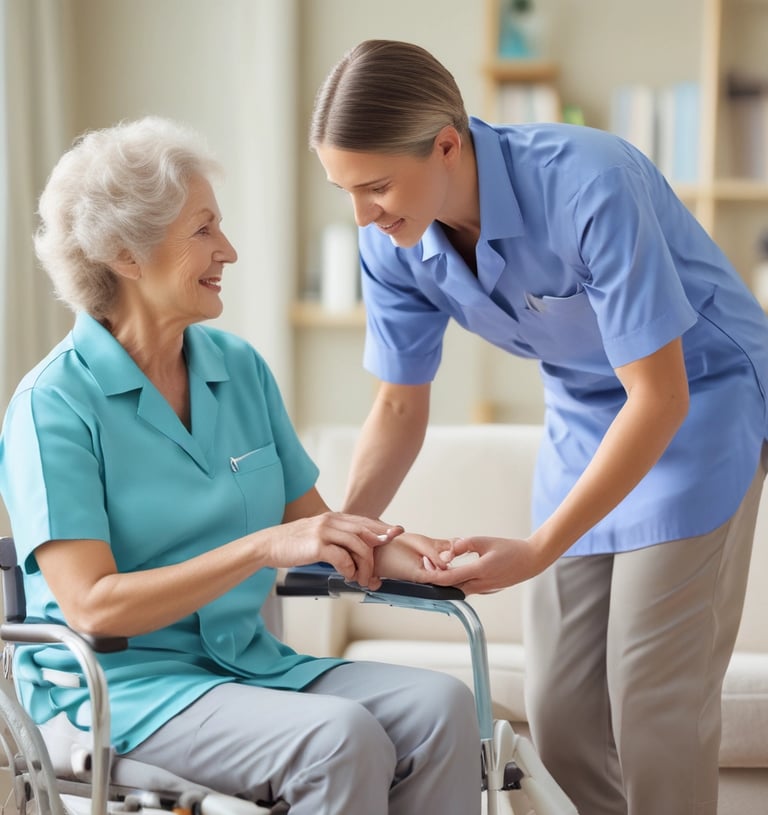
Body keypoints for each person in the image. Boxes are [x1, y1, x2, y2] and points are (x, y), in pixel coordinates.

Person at [309, 39, 768, 815]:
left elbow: (659, 396)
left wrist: (536, 548)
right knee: (561, 712)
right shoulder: (393, 241)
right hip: (586, 416)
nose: (363, 214)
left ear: (446, 144)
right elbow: (398, 404)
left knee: (651, 694)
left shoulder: (589, 182)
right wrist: (342, 529)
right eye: (346, 191)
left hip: (700, 402)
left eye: (377, 185)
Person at [0, 115, 481, 815]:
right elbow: (91, 604)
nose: (227, 249)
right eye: (202, 229)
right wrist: (261, 547)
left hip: (248, 663)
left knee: (443, 705)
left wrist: (429, 556)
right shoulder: (54, 403)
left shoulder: (238, 369)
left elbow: (316, 528)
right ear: (126, 254)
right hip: (123, 689)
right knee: (339, 739)